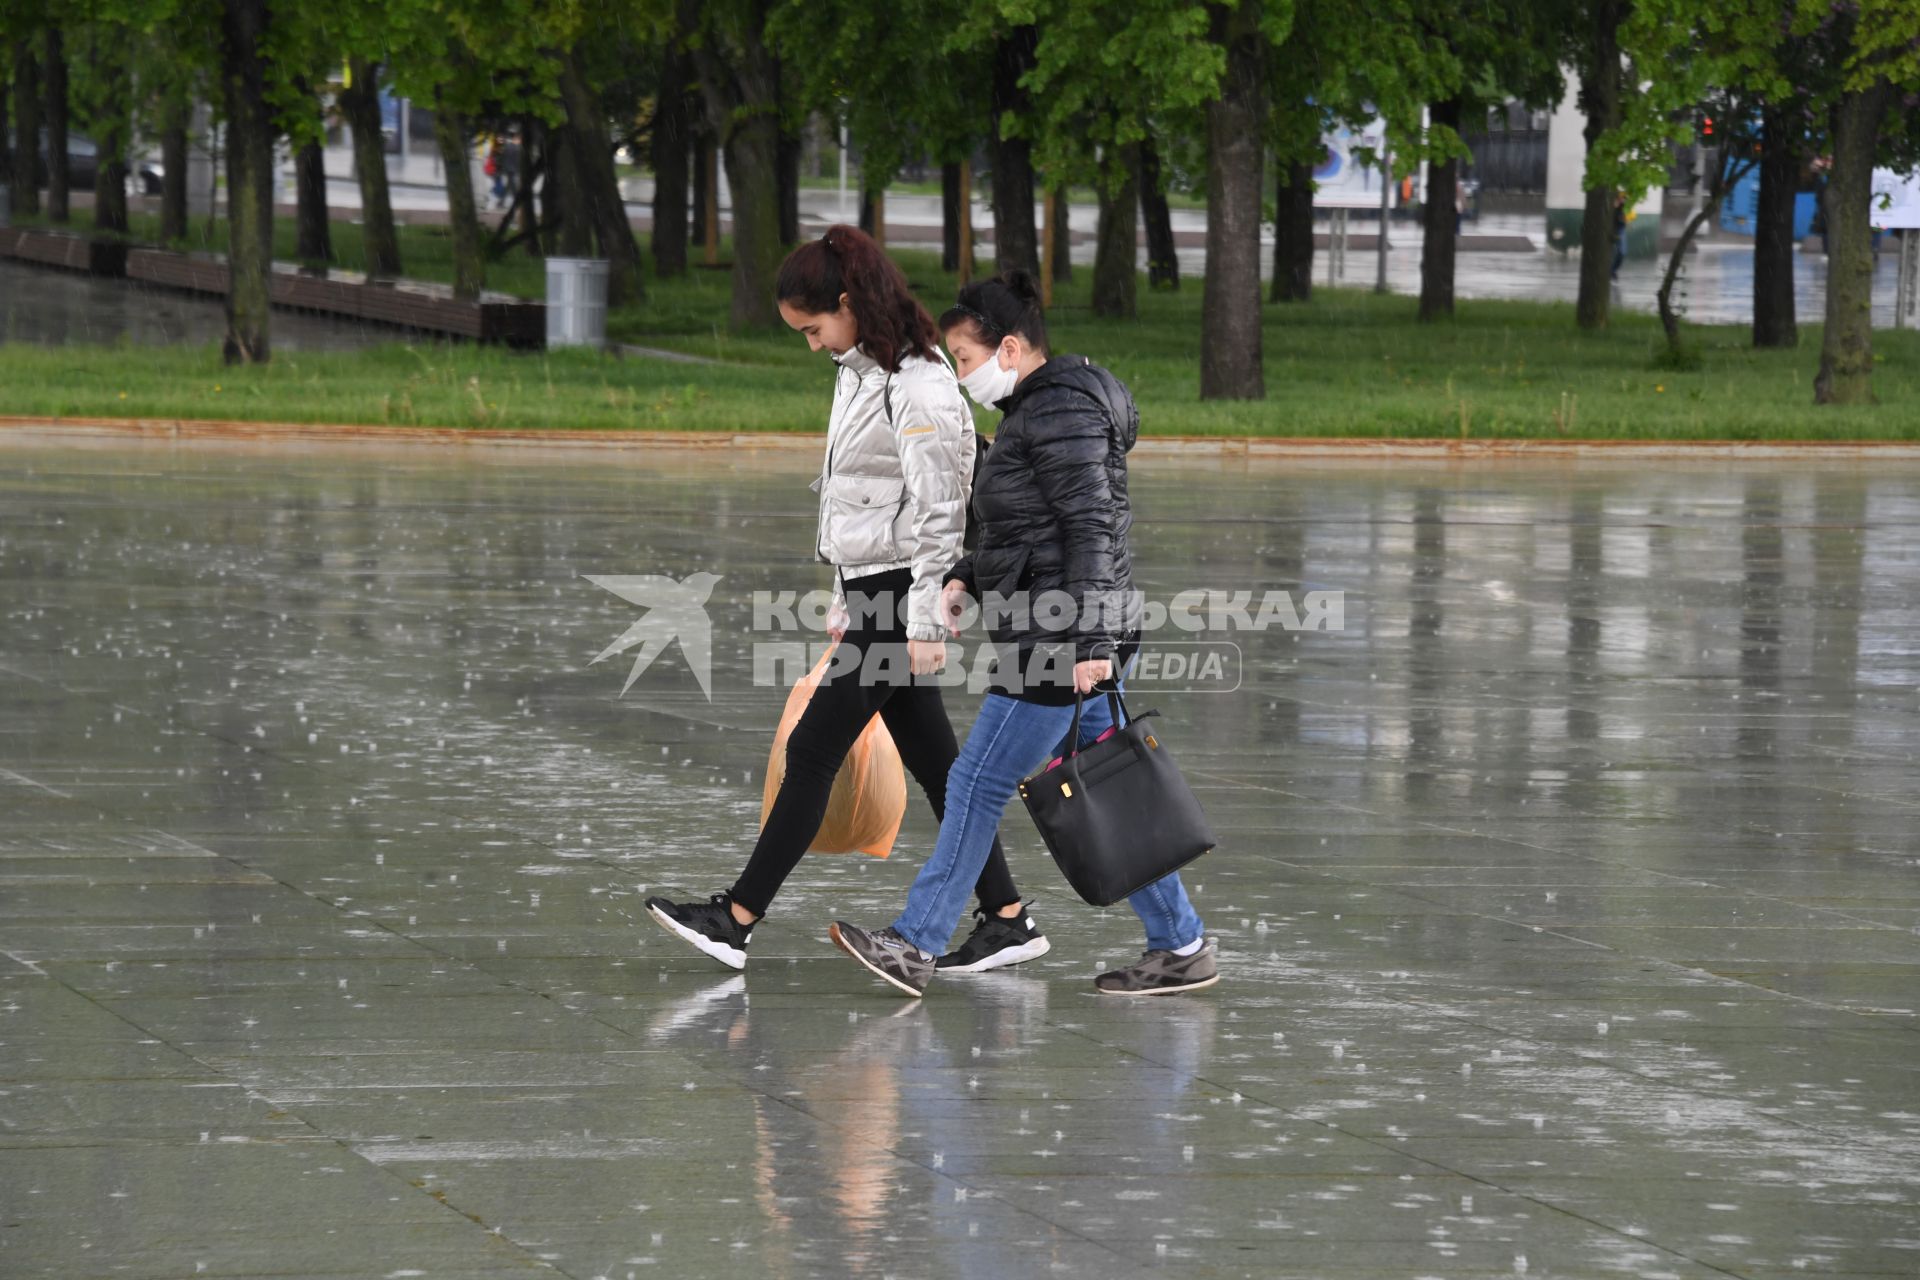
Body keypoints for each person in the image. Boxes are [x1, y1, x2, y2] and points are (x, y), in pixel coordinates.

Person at [646, 227, 1048, 975]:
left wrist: (926, 622)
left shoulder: (921, 382)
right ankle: (1007, 918)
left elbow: (938, 512)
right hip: (873, 595)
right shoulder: (861, 371)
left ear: (846, 302)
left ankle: (735, 918)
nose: (810, 345)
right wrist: (843, 592)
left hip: (901, 601)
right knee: (938, 765)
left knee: (814, 750)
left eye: (813, 328)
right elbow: (857, 500)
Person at [828, 271, 1217, 999]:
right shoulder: (1036, 411)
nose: (961, 373)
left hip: (1061, 636)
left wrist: (1091, 648)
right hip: (1059, 630)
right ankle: (1180, 943)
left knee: (974, 782)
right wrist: (968, 578)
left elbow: (1089, 532)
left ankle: (916, 942)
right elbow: (1029, 525)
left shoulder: (1060, 414)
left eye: (966, 357)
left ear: (1010, 347)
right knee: (1118, 786)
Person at [1611, 190, 1628, 281]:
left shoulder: (1622, 206)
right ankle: (1612, 271)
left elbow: (1622, 211)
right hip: (1614, 229)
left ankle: (1613, 270)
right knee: (1617, 251)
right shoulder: (1613, 205)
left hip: (1620, 229)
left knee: (1622, 252)